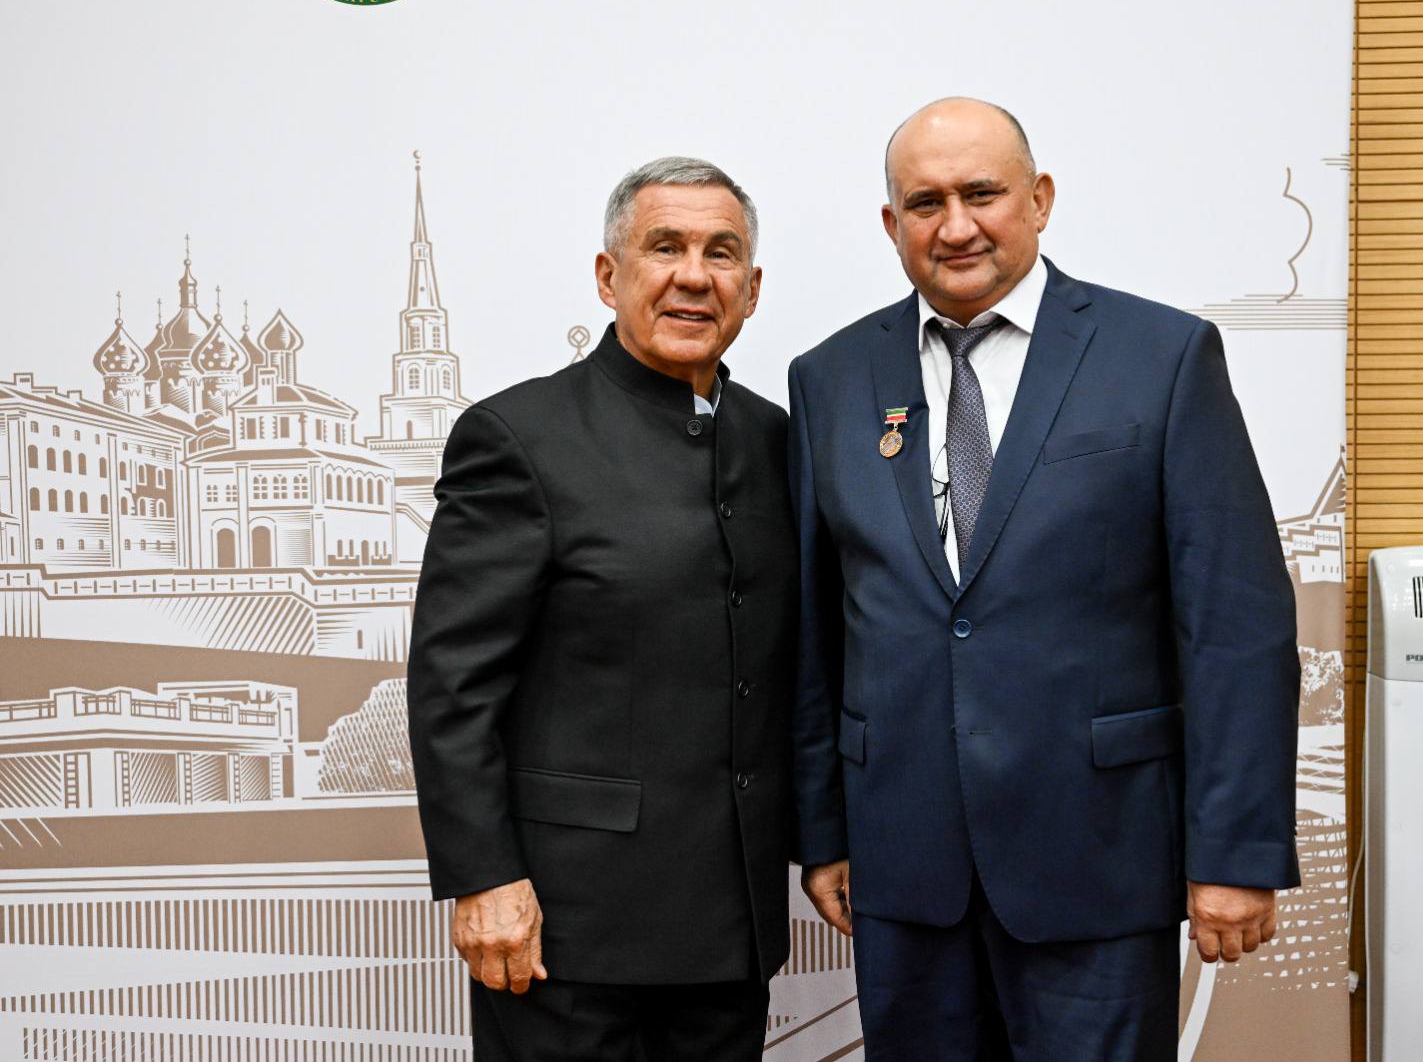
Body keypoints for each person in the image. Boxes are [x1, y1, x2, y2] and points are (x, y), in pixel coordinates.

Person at [787, 98, 1301, 1061]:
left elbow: (1234, 623)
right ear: (892, 223)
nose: (956, 225)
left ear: (1040, 200)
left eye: (982, 193)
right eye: (926, 202)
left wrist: (1236, 850)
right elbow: (819, 630)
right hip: (904, 866)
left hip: (1098, 859)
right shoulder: (830, 378)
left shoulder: (1161, 356)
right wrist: (823, 832)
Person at [408, 156, 795, 1061]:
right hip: (564, 935)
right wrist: (484, 877)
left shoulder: (778, 439)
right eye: (665, 247)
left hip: (730, 933)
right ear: (607, 275)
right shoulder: (519, 436)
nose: (694, 275)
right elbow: (453, 684)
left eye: (721, 253)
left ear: (752, 289)